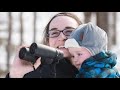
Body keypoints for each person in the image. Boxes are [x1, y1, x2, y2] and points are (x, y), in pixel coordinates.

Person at [6, 12, 82, 78]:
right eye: (54, 33)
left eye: (69, 31)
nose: (61, 37)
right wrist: (16, 75)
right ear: (48, 41)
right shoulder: (38, 73)